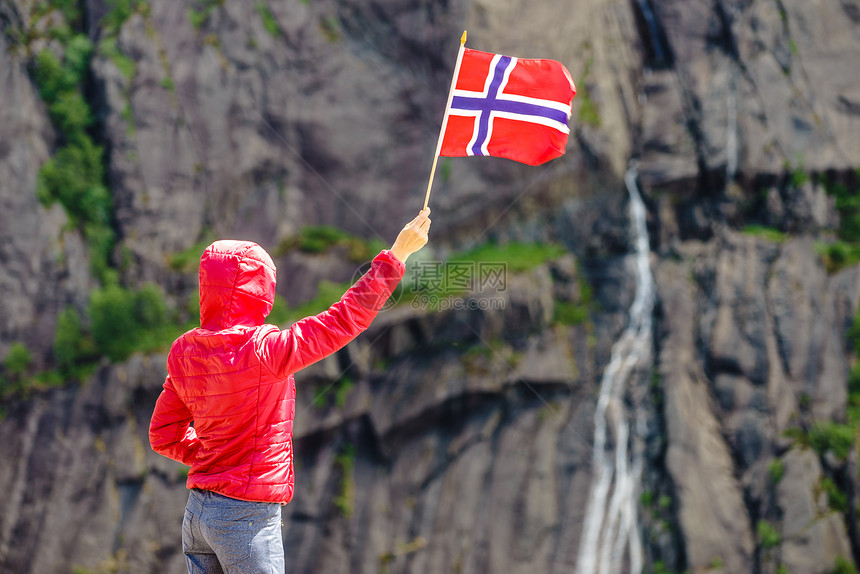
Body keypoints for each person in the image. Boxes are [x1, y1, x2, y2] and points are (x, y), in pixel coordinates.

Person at [149, 209, 431, 574]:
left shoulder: (184, 351)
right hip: (245, 518)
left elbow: (162, 435)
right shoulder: (266, 350)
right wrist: (396, 256)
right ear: (260, 288)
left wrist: (213, 455)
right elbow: (343, 319)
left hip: (197, 517)